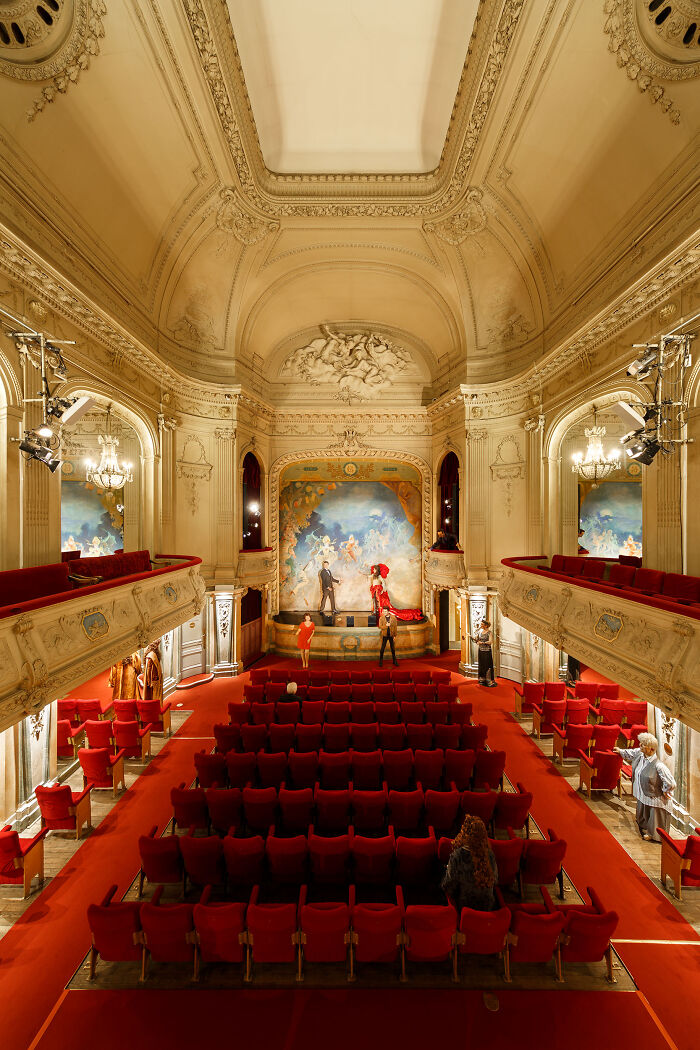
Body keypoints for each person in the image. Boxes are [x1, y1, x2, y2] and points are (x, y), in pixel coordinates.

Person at [614, 733, 676, 842]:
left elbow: (671, 783)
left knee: (654, 815)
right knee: (643, 812)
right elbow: (631, 753)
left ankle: (654, 835)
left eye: (643, 745)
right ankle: (644, 825)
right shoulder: (640, 754)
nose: (640, 745)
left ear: (651, 749)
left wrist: (665, 791)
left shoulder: (659, 766)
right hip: (643, 792)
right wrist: (620, 751)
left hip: (655, 797)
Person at [441, 815, 498, 912]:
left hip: (464, 907)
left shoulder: (457, 856)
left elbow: (449, 886)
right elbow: (495, 881)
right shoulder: (490, 855)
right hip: (487, 907)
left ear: (464, 833)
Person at [471, 618, 496, 687]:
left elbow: (490, 642)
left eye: (482, 624)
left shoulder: (489, 632)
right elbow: (477, 639)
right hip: (481, 650)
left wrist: (482, 642)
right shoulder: (480, 632)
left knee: (487, 665)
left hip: (487, 651)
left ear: (486, 625)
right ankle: (482, 678)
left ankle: (489, 679)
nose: (481, 625)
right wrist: (473, 638)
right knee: (481, 665)